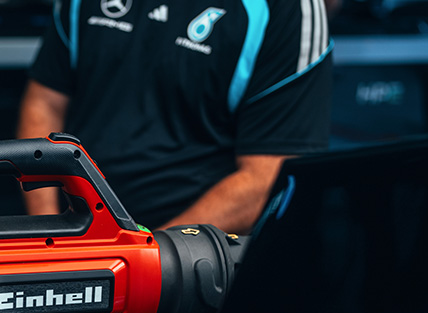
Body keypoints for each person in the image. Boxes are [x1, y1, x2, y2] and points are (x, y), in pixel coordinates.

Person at [18, 0, 335, 236]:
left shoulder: (289, 10)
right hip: (74, 238)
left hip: (188, 271)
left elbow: (265, 180)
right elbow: (45, 103)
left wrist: (144, 262)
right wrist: (47, 233)